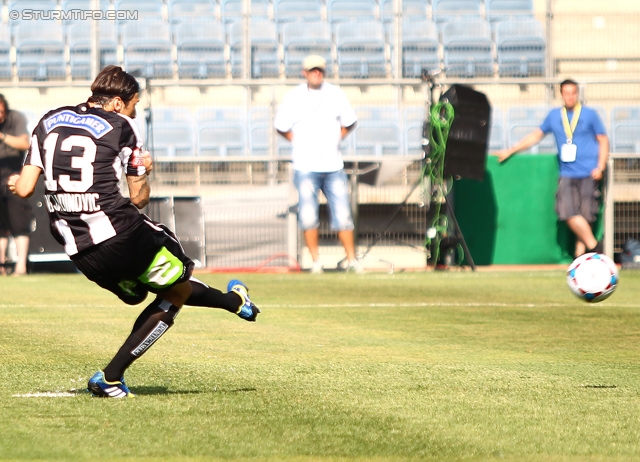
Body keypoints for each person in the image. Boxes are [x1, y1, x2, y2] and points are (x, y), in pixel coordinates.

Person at [9, 65, 260, 398]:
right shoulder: (121, 126)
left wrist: (17, 182)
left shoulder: (49, 119)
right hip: (121, 233)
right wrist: (144, 169)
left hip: (77, 247)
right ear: (116, 103)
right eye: (133, 104)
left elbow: (25, 187)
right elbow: (139, 199)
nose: (135, 111)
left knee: (152, 290)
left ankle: (233, 302)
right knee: (177, 285)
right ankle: (111, 377)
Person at [496, 79, 609, 257]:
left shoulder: (589, 114)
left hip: (589, 172)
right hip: (567, 172)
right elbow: (536, 136)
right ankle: (595, 245)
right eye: (566, 93)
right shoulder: (554, 116)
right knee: (567, 211)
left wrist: (600, 167)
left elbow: (603, 139)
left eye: (573, 93)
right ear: (561, 94)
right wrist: (512, 150)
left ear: (577, 94)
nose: (570, 96)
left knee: (587, 216)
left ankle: (579, 258)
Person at [274, 55, 362, 274]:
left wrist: (336, 139)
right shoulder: (294, 96)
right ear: (305, 72)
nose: (317, 73)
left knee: (342, 214)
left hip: (333, 165)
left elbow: (349, 122)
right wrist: (298, 142)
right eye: (313, 70)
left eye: (320, 70)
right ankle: (316, 262)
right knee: (308, 215)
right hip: (305, 166)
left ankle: (352, 260)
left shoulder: (335, 93)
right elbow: (281, 125)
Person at [0, 95, 32, 275]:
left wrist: (3, 137)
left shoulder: (16, 118)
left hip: (14, 178)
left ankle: (21, 266)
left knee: (19, 223)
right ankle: (2, 267)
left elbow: (24, 143)